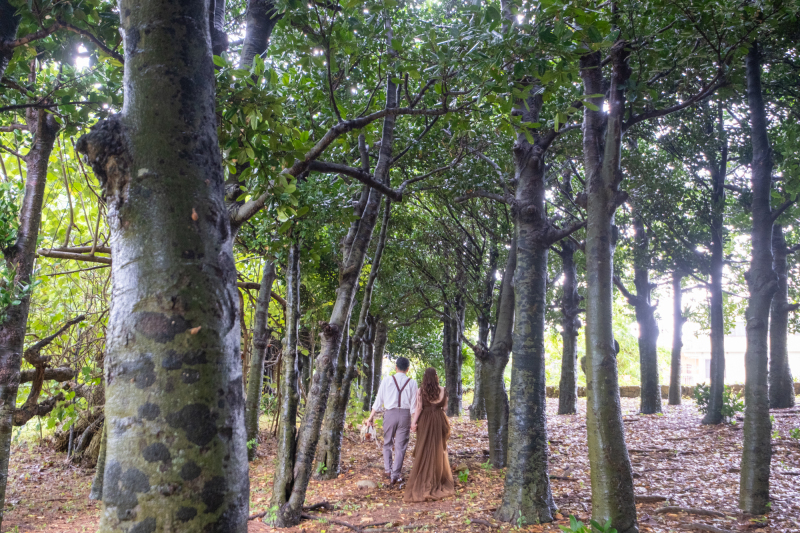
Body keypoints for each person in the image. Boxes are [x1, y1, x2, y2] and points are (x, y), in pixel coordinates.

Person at [404, 367, 455, 502]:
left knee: (424, 447)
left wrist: (413, 423)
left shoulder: (421, 391)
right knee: (438, 448)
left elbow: (418, 408)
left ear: (425, 377)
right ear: (436, 377)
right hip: (439, 420)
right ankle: (437, 478)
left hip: (425, 421)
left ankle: (424, 478)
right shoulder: (443, 390)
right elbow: (445, 408)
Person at [365, 357, 417, 485]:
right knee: (401, 446)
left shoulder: (387, 380)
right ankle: (395, 475)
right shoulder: (412, 383)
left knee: (387, 443)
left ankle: (388, 470)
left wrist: (370, 417)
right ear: (408, 369)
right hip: (405, 415)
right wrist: (414, 422)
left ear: (396, 367)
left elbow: (378, 401)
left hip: (389, 414)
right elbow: (414, 405)